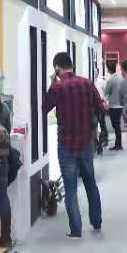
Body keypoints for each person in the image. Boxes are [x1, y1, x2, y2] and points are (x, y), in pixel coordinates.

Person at [43, 51, 105, 238]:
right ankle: (96, 221)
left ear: (57, 68)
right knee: (90, 182)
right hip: (86, 142)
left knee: (70, 188)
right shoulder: (87, 83)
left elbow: (45, 107)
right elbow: (100, 107)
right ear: (71, 65)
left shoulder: (57, 87)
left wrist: (52, 83)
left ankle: (76, 230)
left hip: (66, 144)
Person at [102, 61, 124, 151]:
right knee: (117, 125)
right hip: (120, 105)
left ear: (108, 69)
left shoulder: (111, 80)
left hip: (114, 105)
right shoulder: (120, 78)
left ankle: (118, 144)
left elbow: (106, 91)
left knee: (115, 125)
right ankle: (118, 143)